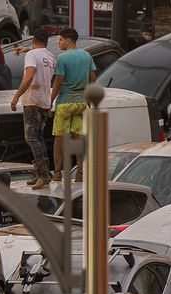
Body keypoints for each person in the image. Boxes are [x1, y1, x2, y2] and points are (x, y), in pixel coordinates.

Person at [10, 29, 56, 189]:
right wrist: (27, 50)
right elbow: (39, 55)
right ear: (47, 42)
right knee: (39, 138)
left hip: (32, 101)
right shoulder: (50, 56)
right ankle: (44, 173)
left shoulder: (32, 55)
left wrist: (16, 96)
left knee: (31, 138)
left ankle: (43, 175)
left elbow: (29, 76)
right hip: (44, 101)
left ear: (33, 40)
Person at [49, 28, 96, 182]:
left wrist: (50, 100)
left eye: (60, 40)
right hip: (82, 102)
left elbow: (58, 81)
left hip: (65, 103)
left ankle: (57, 172)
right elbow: (92, 79)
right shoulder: (86, 55)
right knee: (79, 137)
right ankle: (80, 173)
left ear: (68, 40)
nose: (59, 43)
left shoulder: (63, 58)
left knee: (59, 138)